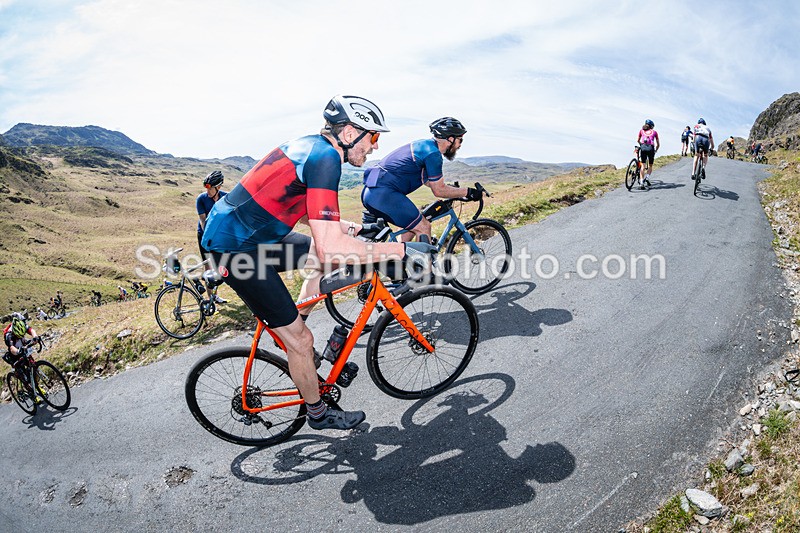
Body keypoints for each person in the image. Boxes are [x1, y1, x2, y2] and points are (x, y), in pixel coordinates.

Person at [201, 95, 435, 431]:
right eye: (374, 137)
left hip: (253, 236)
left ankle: (294, 332)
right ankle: (317, 411)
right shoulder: (327, 159)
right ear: (352, 131)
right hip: (236, 251)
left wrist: (356, 227)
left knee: (317, 262)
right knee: (302, 338)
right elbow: (333, 249)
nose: (374, 147)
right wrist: (400, 252)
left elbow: (314, 219)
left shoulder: (313, 148)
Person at [361, 117, 480, 242]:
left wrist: (454, 190)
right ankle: (424, 261)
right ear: (450, 139)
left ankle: (404, 258)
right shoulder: (433, 154)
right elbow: (439, 190)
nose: (460, 145)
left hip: (371, 192)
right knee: (423, 227)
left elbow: (430, 182)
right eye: (460, 140)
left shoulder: (423, 146)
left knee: (415, 221)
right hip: (383, 194)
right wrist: (468, 192)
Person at [197, 170, 228, 304]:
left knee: (220, 266)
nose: (207, 191)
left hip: (219, 237)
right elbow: (203, 221)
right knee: (209, 267)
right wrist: (208, 239)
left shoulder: (225, 198)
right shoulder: (201, 199)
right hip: (205, 237)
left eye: (210, 188)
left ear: (219, 187)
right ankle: (210, 299)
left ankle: (215, 295)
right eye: (206, 188)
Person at [635, 119, 660, 188]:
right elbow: (658, 144)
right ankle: (647, 177)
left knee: (643, 166)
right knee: (650, 165)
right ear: (652, 126)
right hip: (651, 148)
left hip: (643, 147)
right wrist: (656, 150)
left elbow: (638, 140)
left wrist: (641, 145)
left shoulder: (641, 131)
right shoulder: (655, 132)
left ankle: (641, 182)